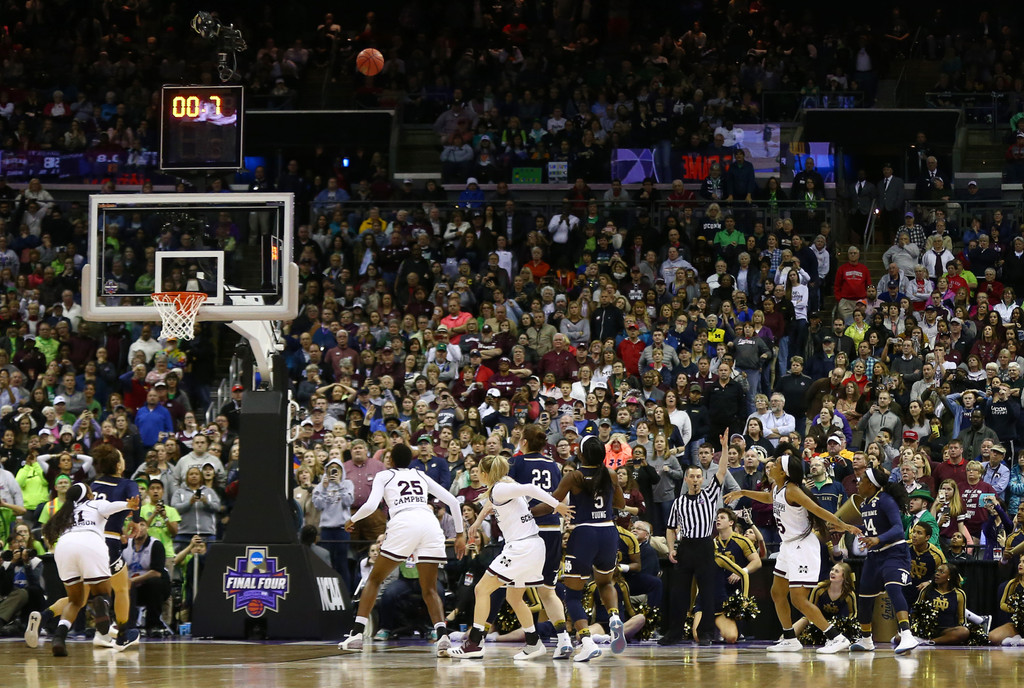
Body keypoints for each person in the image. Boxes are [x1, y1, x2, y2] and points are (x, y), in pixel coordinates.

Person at [338, 443, 466, 656]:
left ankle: (357, 635)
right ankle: (442, 636)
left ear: (392, 461)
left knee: (375, 579)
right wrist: (460, 534)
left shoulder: (384, 475)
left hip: (404, 521)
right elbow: (452, 501)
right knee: (430, 588)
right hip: (429, 523)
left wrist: (352, 520)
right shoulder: (420, 474)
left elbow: (370, 506)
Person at [725, 453, 861, 653]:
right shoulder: (777, 487)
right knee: (777, 593)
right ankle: (789, 638)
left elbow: (816, 509)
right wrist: (743, 492)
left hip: (802, 548)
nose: (771, 466)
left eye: (776, 464)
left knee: (798, 599)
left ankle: (837, 637)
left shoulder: (793, 490)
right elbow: (767, 498)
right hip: (788, 546)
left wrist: (843, 525)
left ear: (784, 472)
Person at [446, 454, 572, 659]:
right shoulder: (505, 485)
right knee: (513, 597)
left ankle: (474, 644)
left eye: (479, 471)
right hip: (533, 546)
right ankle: (533, 643)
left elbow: (532, 488)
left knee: (481, 589)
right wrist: (477, 521)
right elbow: (491, 503)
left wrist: (556, 505)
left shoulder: (500, 489)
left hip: (521, 548)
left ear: (486, 474)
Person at [26, 482, 138, 656]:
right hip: (90, 542)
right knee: (103, 593)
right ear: (88, 495)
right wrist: (127, 505)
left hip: (64, 547)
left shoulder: (66, 512)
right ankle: (102, 605)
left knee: (75, 601)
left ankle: (59, 638)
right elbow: (111, 507)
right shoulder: (94, 503)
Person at [545, 434, 626, 662]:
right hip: (609, 532)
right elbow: (620, 504)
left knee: (572, 595)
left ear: (580, 454)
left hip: (584, 533)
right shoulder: (610, 474)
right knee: (605, 582)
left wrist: (528, 512)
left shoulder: (575, 476)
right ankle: (614, 618)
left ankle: (587, 641)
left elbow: (553, 503)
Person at [505, 424, 575, 657]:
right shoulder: (553, 465)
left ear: (523, 441)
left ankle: (531, 642)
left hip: (529, 532)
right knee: (548, 590)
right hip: (552, 530)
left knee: (513, 593)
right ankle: (564, 640)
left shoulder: (517, 463)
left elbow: (508, 496)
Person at [660, 429, 733, 646]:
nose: (695, 479)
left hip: (704, 546)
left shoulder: (710, 494)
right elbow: (670, 528)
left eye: (698, 476)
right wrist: (671, 549)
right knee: (679, 593)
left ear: (703, 479)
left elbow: (722, 470)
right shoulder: (678, 502)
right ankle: (674, 633)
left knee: (707, 593)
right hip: (686, 547)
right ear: (686, 478)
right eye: (691, 476)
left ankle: (706, 633)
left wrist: (725, 447)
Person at [847, 466, 919, 654]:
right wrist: (850, 527)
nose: (858, 483)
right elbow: (872, 525)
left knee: (893, 588)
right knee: (865, 596)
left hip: (894, 552)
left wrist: (878, 538)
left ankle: (907, 634)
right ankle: (866, 640)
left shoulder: (886, 500)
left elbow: (897, 528)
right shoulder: (865, 503)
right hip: (874, 555)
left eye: (861, 480)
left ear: (871, 484)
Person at [792, 563, 858, 638]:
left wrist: (846, 624)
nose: (832, 572)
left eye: (836, 571)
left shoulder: (849, 594)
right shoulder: (819, 588)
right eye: (832, 570)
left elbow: (853, 612)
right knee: (805, 619)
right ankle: (786, 638)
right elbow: (809, 608)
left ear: (844, 576)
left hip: (838, 624)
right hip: (818, 621)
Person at [915, 563, 969, 645]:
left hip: (946, 631)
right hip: (927, 630)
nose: (937, 573)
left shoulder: (959, 594)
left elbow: (961, 619)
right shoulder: (927, 590)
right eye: (937, 571)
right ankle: (924, 639)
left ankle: (930, 642)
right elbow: (915, 611)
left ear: (949, 577)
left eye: (942, 572)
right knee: (898, 638)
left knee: (964, 632)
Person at [989, 558, 1024, 646]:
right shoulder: (1012, 584)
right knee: (993, 637)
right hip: (1016, 624)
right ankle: (1017, 638)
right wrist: (1017, 610)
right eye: (1020, 561)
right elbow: (1002, 604)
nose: (1020, 564)